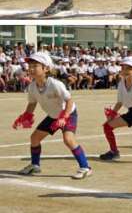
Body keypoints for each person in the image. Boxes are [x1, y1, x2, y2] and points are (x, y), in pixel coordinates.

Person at [13, 50, 91, 179]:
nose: (31, 69)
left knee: (68, 139)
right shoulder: (32, 87)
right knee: (34, 138)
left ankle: (85, 167)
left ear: (46, 69)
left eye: (35, 66)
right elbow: (32, 104)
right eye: (30, 66)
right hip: (54, 116)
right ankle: (35, 165)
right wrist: (24, 117)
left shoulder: (55, 84)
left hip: (68, 113)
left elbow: (69, 101)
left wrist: (64, 117)